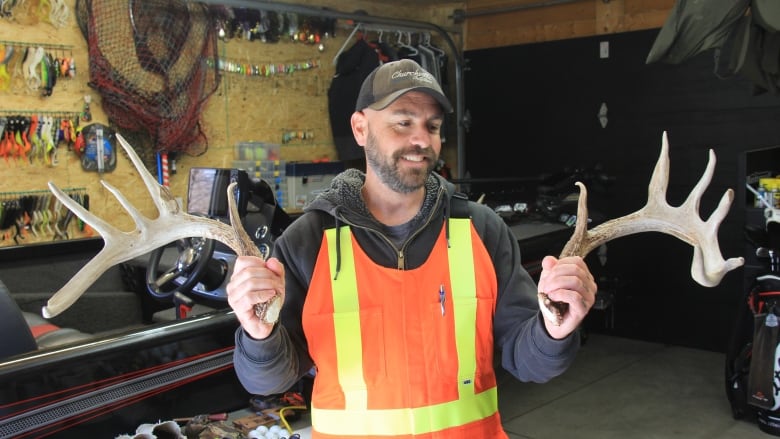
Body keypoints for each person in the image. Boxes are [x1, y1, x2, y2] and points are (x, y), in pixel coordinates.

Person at [227, 58, 597, 438]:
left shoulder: (480, 230)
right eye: (403, 122)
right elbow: (268, 381)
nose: (422, 140)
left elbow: (530, 362)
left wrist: (555, 328)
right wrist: (259, 335)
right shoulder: (308, 241)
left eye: (432, 126)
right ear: (360, 128)